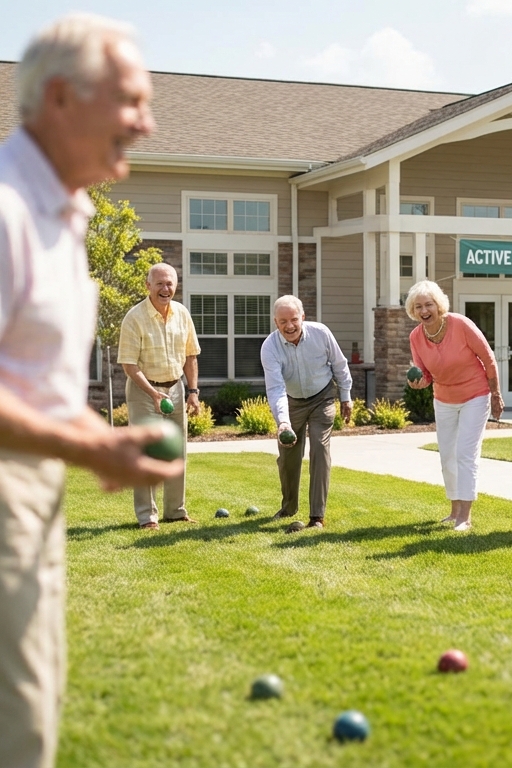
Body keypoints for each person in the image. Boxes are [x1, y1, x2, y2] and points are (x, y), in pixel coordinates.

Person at [0, 14, 180, 768]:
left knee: (33, 709)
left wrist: (102, 440)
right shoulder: (7, 213)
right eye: (132, 101)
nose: (147, 123)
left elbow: (36, 383)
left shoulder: (64, 221)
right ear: (64, 99)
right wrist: (86, 442)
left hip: (35, 486)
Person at [406, 280, 502, 532]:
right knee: (447, 456)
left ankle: (465, 517)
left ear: (439, 305)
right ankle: (454, 511)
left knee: (465, 454)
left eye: (429, 305)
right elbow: (425, 374)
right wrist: (419, 383)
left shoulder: (460, 324)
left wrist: (496, 394)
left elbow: (488, 358)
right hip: (444, 398)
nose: (424, 310)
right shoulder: (416, 337)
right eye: (418, 307)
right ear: (413, 311)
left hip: (475, 394)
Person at [116, 262, 201, 530]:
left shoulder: (182, 313)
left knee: (177, 451)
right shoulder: (134, 317)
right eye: (160, 283)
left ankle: (175, 511)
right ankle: (146, 517)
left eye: (170, 283)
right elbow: (129, 365)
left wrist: (193, 391)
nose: (166, 289)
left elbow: (190, 355)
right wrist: (153, 393)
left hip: (175, 388)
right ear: (148, 286)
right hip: (144, 391)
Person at [260, 295, 353, 533]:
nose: (289, 326)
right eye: (283, 321)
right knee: (288, 457)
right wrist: (283, 422)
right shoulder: (270, 347)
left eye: (293, 319)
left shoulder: (321, 333)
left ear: (303, 317)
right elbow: (275, 388)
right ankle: (289, 507)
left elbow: (340, 365)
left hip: (322, 396)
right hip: (291, 401)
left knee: (320, 450)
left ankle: (317, 516)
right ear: (275, 322)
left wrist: (345, 396)